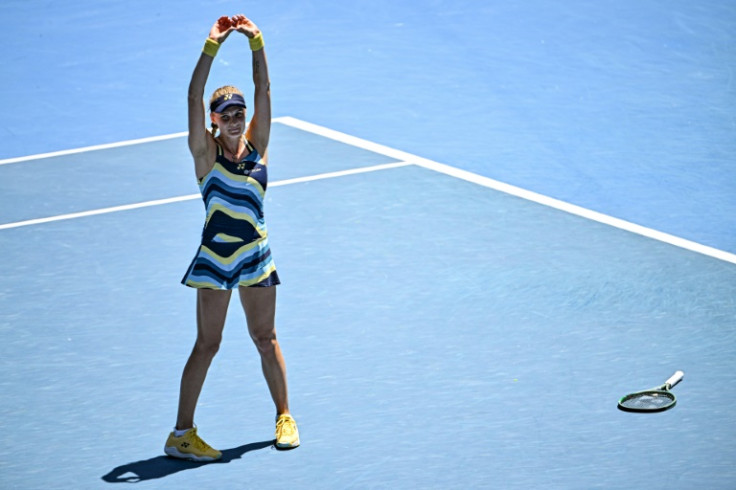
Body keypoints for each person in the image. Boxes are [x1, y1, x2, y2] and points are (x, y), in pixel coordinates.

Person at [164, 14, 299, 462]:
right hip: (216, 260)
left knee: (266, 337)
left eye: (241, 113)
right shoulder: (204, 154)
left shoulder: (259, 144)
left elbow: (265, 90)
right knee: (208, 343)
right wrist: (212, 46)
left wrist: (256, 41)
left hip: (256, 257)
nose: (238, 119)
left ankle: (284, 416)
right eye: (228, 115)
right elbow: (192, 94)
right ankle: (182, 434)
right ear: (214, 121)